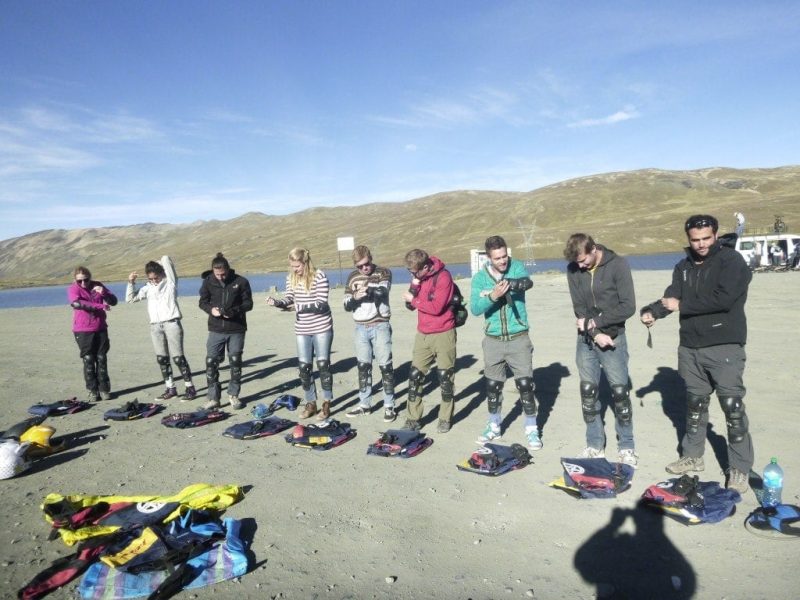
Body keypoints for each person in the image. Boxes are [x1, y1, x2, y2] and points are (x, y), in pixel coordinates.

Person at [640, 214, 754, 494]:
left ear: (715, 235)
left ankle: (739, 469)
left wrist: (681, 304)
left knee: (732, 409)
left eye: (706, 238)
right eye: (695, 240)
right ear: (688, 239)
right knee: (695, 406)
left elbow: (724, 299)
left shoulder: (731, 262)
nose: (701, 244)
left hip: (724, 345)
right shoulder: (683, 267)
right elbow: (672, 297)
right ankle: (693, 455)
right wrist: (653, 311)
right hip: (690, 347)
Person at [564, 234, 638, 467]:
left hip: (614, 338)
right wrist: (595, 332)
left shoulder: (618, 265)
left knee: (620, 393)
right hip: (587, 340)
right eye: (577, 263)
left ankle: (627, 447)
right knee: (588, 392)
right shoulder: (573, 270)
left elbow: (628, 306)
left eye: (584, 261)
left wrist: (599, 323)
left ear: (594, 249)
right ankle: (595, 445)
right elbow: (580, 309)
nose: (581, 266)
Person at [470, 236, 540, 449]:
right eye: (497, 258)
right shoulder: (480, 279)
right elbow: (474, 309)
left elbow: (527, 282)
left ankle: (531, 429)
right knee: (493, 386)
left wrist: (514, 284)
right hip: (493, 339)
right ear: (489, 258)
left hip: (518, 336)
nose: (503, 261)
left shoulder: (516, 267)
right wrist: (492, 296)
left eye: (504, 256)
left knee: (525, 385)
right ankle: (494, 426)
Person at [267, 248, 334, 420]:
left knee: (323, 365)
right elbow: (289, 298)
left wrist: (298, 307)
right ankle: (311, 403)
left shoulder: (319, 276)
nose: (294, 269)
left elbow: (322, 304)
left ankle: (327, 403)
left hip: (321, 327)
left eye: (297, 266)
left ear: (305, 262)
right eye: (291, 266)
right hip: (302, 328)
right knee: (304, 367)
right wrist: (277, 302)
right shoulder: (291, 277)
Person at [401, 249, 457, 433]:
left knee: (445, 378)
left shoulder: (444, 277)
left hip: (443, 333)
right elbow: (409, 306)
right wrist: (414, 286)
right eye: (410, 272)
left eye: (415, 272)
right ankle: (413, 418)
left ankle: (444, 418)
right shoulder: (419, 277)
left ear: (425, 267)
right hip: (423, 334)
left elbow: (436, 307)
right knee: (415, 377)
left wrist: (414, 300)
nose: (412, 275)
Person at [126, 256, 196, 400]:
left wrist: (160, 263)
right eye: (150, 278)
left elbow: (166, 258)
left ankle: (190, 387)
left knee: (178, 358)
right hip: (155, 326)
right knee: (162, 358)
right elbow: (130, 299)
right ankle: (170, 388)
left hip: (171, 324)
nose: (153, 281)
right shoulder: (147, 288)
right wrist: (131, 282)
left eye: (155, 278)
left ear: (162, 273)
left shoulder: (170, 283)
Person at [342, 245, 396, 422]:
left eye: (366, 264)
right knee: (363, 366)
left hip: (380, 324)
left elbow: (383, 291)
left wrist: (368, 290)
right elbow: (346, 304)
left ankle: (389, 405)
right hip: (360, 326)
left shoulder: (382, 272)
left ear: (371, 259)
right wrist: (355, 297)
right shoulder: (352, 277)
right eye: (359, 266)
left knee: (385, 366)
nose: (364, 268)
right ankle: (364, 404)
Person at [198, 253, 253, 410]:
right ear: (213, 271)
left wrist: (234, 311)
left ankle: (233, 395)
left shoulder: (241, 281)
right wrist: (211, 310)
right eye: (217, 274)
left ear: (228, 270)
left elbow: (248, 304)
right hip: (216, 328)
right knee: (211, 362)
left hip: (236, 328)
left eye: (223, 274)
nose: (220, 277)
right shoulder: (208, 282)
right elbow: (202, 302)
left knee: (235, 361)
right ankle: (213, 398)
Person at [68, 266, 118, 401]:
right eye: (80, 281)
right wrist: (100, 306)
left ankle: (104, 389)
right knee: (89, 359)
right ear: (75, 280)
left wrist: (104, 294)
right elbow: (77, 304)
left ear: (90, 277)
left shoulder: (98, 285)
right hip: (83, 329)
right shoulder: (74, 289)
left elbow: (114, 301)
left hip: (100, 327)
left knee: (101, 358)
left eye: (86, 280)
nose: (83, 283)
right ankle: (92, 390)